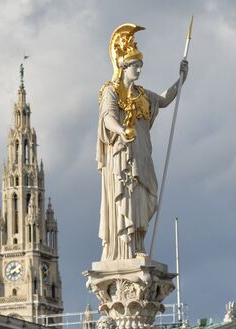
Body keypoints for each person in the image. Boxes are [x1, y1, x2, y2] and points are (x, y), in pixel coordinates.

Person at [97, 24, 188, 260]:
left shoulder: (143, 94)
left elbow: (165, 100)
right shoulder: (112, 91)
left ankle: (138, 242)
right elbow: (108, 117)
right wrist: (122, 130)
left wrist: (181, 80)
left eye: (140, 66)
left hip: (142, 153)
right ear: (123, 66)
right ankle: (123, 247)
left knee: (143, 196)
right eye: (134, 66)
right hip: (122, 153)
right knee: (125, 193)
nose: (138, 70)